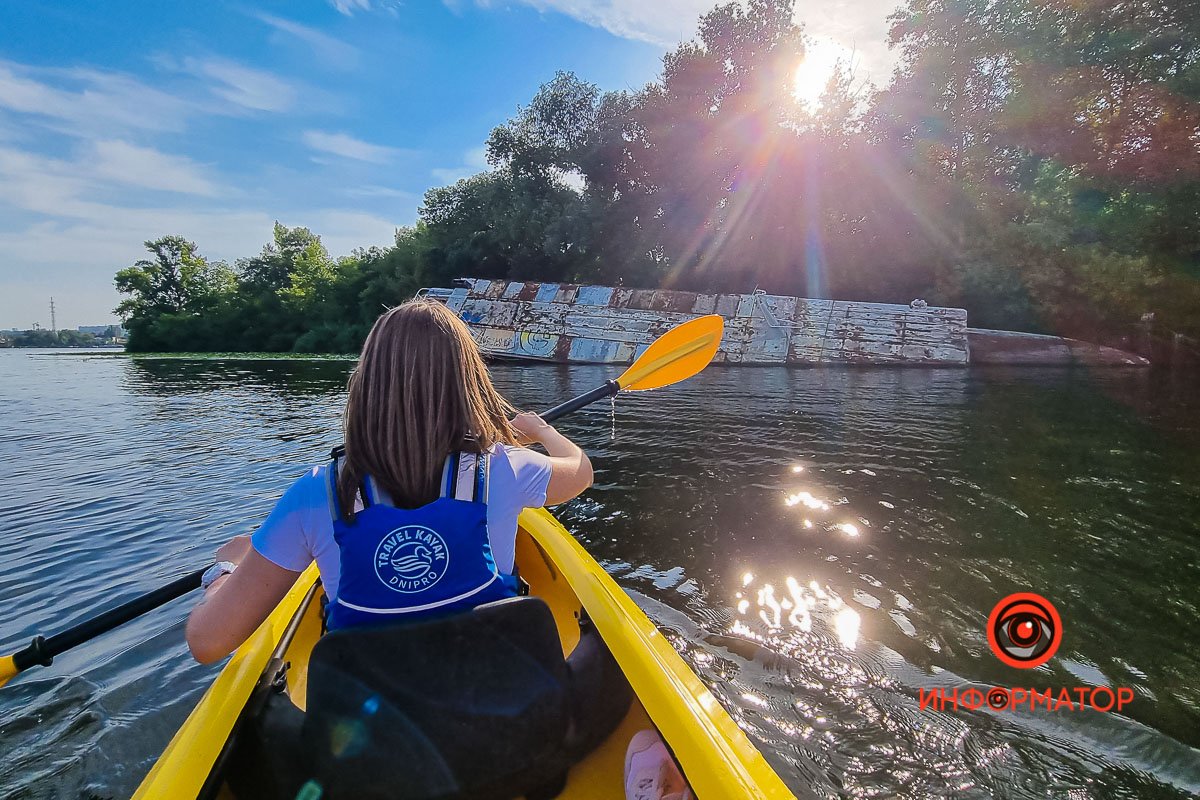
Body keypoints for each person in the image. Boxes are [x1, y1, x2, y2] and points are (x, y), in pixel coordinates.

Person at [185, 299, 593, 661]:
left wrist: (226, 570)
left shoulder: (314, 494)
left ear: (367, 383)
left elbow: (208, 643)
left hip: (375, 717)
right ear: (469, 383)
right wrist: (541, 431)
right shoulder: (507, 468)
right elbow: (580, 471)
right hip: (493, 699)